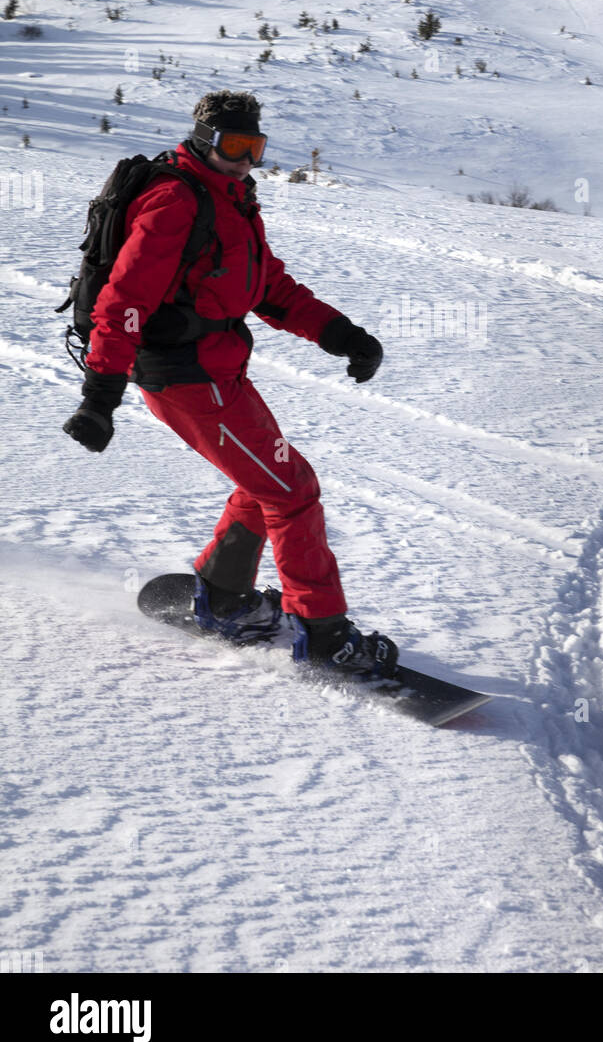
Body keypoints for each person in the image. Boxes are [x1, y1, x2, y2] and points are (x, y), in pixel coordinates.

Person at [62, 91, 397, 674]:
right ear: (203, 139)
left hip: (220, 371)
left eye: (255, 147)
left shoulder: (232, 197)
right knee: (291, 492)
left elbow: (270, 287)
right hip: (187, 378)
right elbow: (122, 304)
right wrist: (100, 398)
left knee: (271, 480)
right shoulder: (173, 201)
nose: (244, 159)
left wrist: (343, 335)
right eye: (233, 146)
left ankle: (222, 596)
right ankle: (324, 636)